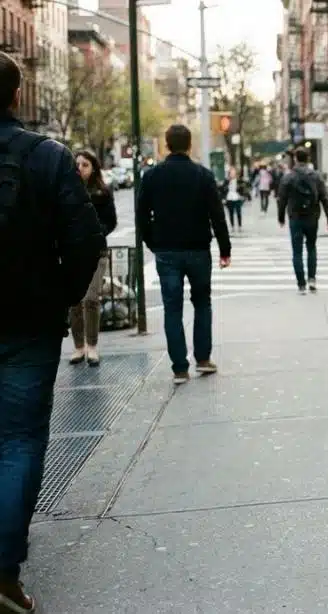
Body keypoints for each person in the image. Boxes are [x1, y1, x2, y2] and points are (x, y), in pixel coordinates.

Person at [0, 51, 106, 613]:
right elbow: (86, 239)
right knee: (17, 441)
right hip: (27, 322)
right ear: (17, 95)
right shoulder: (47, 157)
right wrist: (58, 296)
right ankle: (3, 574)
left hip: (30, 319)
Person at [137, 125, 231, 385]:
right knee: (202, 303)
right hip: (199, 249)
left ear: (166, 145)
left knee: (172, 308)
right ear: (190, 145)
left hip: (166, 250)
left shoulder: (152, 176)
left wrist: (152, 242)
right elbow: (217, 215)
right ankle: (202, 359)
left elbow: (141, 215)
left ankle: (179, 367)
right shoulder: (203, 175)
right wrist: (225, 249)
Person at [68, 150, 117, 367]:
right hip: (72, 252)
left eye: (85, 164)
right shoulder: (65, 190)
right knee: (74, 301)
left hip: (96, 252)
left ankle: (92, 346)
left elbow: (111, 221)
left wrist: (96, 234)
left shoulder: (102, 193)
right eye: (77, 164)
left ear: (93, 168)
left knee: (91, 298)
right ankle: (78, 346)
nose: (80, 167)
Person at [277, 148, 328, 295]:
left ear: (295, 159)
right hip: (312, 217)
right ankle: (312, 279)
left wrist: (281, 217)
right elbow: (324, 197)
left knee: (297, 252)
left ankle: (301, 285)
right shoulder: (316, 176)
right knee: (311, 248)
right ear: (308, 159)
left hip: (295, 218)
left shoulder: (288, 178)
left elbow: (281, 199)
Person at [220, 166, 247, 232]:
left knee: (238, 212)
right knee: (230, 213)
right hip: (229, 198)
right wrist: (223, 198)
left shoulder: (239, 180)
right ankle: (232, 226)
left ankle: (240, 226)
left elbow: (244, 189)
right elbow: (222, 190)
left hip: (237, 198)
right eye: (231, 173)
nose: (232, 174)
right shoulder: (226, 181)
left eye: (234, 173)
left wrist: (243, 196)